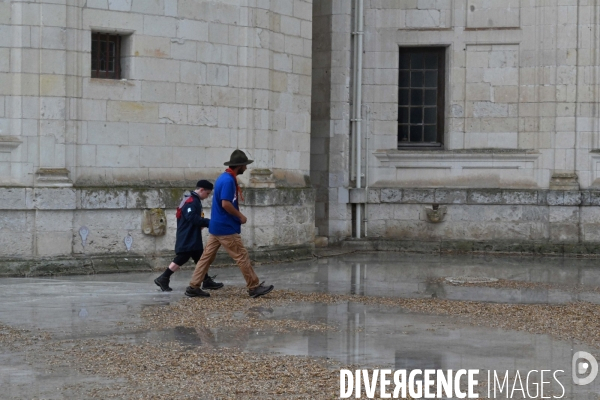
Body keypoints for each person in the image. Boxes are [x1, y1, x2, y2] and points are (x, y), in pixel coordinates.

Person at [185, 149, 274, 298]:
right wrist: (240, 216)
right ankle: (253, 287)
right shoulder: (228, 181)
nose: (246, 168)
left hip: (216, 226)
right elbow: (226, 204)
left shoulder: (223, 178)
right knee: (242, 256)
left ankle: (193, 286)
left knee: (206, 258)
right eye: (245, 165)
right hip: (226, 228)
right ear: (239, 166)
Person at [154, 180, 223, 292]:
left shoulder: (193, 199)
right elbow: (192, 218)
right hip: (188, 235)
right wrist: (209, 222)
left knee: (200, 258)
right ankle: (164, 277)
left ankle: (206, 280)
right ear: (201, 190)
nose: (207, 196)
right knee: (183, 257)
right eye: (207, 193)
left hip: (191, 234)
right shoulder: (191, 201)